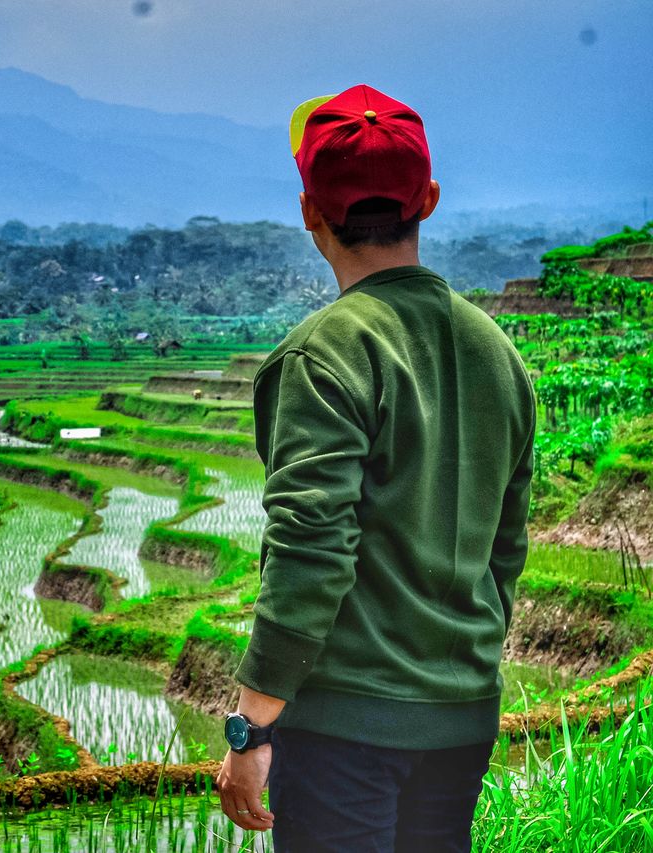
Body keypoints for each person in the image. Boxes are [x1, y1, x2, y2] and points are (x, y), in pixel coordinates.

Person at [213, 84, 536, 853]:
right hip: (461, 719)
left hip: (345, 730)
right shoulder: (500, 355)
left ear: (309, 211)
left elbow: (310, 551)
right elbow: (506, 550)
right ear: (426, 198)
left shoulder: (323, 355)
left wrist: (249, 723)